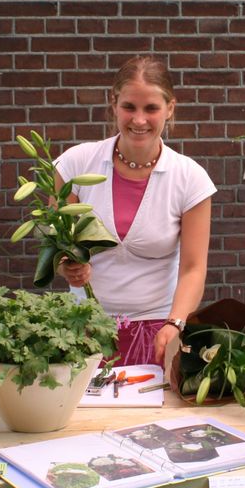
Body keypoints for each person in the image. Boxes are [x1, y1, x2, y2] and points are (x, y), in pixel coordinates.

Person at [54, 55, 216, 366]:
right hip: (82, 330)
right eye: (129, 106)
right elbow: (58, 245)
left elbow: (194, 269)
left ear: (170, 109)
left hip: (158, 332)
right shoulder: (75, 165)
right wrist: (66, 266)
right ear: (113, 103)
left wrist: (176, 323)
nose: (139, 120)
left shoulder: (190, 178)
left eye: (151, 108)